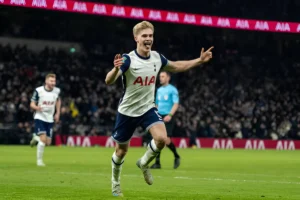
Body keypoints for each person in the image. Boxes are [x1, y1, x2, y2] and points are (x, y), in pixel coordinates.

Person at [105, 21, 213, 197]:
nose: (148, 39)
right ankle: (115, 183)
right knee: (121, 151)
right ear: (136, 38)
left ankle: (144, 163)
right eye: (144, 36)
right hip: (127, 112)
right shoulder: (127, 59)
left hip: (148, 108)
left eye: (150, 36)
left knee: (162, 139)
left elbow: (177, 66)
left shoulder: (157, 57)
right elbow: (109, 81)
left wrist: (199, 61)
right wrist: (115, 69)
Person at [29, 73, 61, 167]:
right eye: (51, 81)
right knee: (43, 140)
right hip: (40, 117)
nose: (53, 83)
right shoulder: (39, 90)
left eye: (54, 81)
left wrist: (57, 113)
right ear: (46, 81)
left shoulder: (57, 91)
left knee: (48, 142)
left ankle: (36, 138)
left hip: (50, 118)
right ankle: (39, 161)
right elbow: (32, 104)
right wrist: (36, 107)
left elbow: (58, 100)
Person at [150, 71, 180, 169]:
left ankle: (176, 156)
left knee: (166, 140)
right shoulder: (158, 90)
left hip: (168, 116)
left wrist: (170, 115)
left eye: (163, 76)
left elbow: (176, 103)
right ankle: (157, 163)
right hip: (159, 115)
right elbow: (157, 104)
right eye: (160, 76)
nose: (161, 78)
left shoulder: (172, 90)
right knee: (157, 138)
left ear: (168, 78)